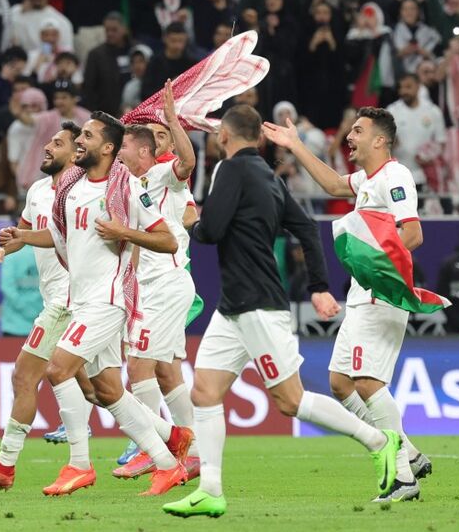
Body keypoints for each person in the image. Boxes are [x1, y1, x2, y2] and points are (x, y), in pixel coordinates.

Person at [163, 105, 403, 518]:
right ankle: (211, 489)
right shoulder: (268, 178)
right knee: (204, 391)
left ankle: (379, 442)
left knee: (290, 401)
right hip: (235, 306)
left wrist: (190, 221)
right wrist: (317, 286)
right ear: (259, 137)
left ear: (223, 136)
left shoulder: (231, 171)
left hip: (256, 304)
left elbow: (211, 231)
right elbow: (308, 227)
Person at [1, 113, 192, 497]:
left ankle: (79, 465)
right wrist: (20, 236)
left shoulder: (125, 188)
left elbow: (168, 241)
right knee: (107, 391)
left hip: (108, 301)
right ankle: (169, 458)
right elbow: (57, 236)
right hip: (80, 299)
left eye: (87, 136)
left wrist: (124, 231)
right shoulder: (72, 187)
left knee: (57, 368)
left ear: (107, 148)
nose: (80, 141)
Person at [262, 105, 431, 502]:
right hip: (361, 292)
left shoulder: (395, 176)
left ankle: (403, 477)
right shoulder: (367, 179)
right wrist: (296, 146)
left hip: (381, 290)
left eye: (358, 130)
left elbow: (414, 234)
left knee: (369, 382)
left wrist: (378, 266)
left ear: (380, 140)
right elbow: (335, 185)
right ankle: (405, 450)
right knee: (341, 383)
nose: (349, 137)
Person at [0, 123, 83, 489]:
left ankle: (5, 466)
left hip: (70, 296)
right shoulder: (39, 190)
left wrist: (24, 236)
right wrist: (5, 247)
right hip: (60, 296)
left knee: (24, 375)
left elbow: (60, 236)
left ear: (76, 153)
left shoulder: (81, 191)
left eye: (57, 143)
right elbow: (23, 233)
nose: (47, 148)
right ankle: (168, 446)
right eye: (48, 141)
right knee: (101, 389)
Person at [111, 84, 200, 480]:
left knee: (138, 367)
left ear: (144, 151)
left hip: (166, 281)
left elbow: (188, 160)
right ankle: (196, 449)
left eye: (124, 147)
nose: (119, 153)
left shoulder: (164, 173)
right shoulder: (127, 184)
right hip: (149, 284)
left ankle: (155, 445)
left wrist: (172, 117)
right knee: (166, 372)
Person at [436, 223, 459, 336]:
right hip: (457, 329)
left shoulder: (448, 263)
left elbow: (442, 298)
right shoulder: (449, 264)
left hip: (454, 330)